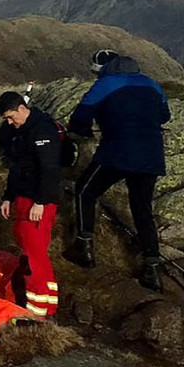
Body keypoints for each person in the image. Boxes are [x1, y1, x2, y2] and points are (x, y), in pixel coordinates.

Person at [63, 50, 171, 292]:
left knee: (85, 191)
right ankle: (152, 266)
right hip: (151, 155)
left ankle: (84, 246)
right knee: (142, 209)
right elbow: (164, 115)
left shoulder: (105, 85)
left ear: (104, 69)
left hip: (117, 152)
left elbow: (80, 117)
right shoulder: (152, 85)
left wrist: (86, 130)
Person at [0, 91, 62, 318]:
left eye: (11, 117)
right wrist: (8, 196)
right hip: (24, 199)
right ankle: (48, 305)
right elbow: (17, 168)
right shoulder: (21, 132)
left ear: (22, 109)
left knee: (35, 257)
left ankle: (37, 312)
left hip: (37, 202)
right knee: (34, 253)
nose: (9, 123)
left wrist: (41, 201)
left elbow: (50, 169)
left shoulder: (43, 130)